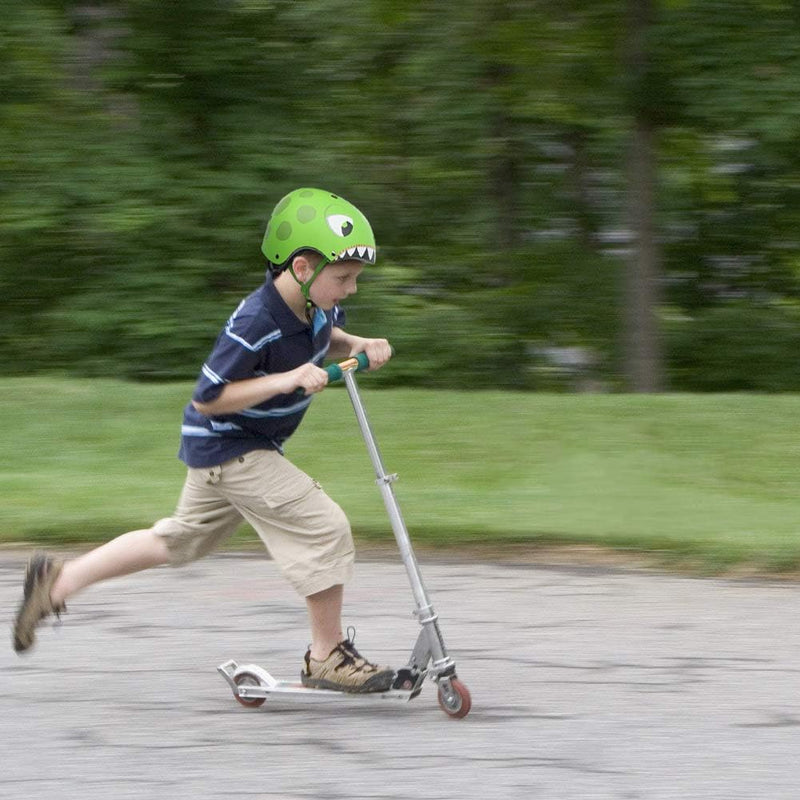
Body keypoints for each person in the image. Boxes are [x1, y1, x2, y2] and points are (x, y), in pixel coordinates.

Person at [13, 187, 396, 694]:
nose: (349, 290)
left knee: (179, 540)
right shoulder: (256, 321)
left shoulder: (316, 309)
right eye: (343, 279)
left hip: (233, 447)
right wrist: (286, 380)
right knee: (323, 526)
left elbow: (325, 336)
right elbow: (208, 397)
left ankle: (55, 583)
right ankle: (326, 656)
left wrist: (358, 343)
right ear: (302, 268)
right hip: (231, 443)